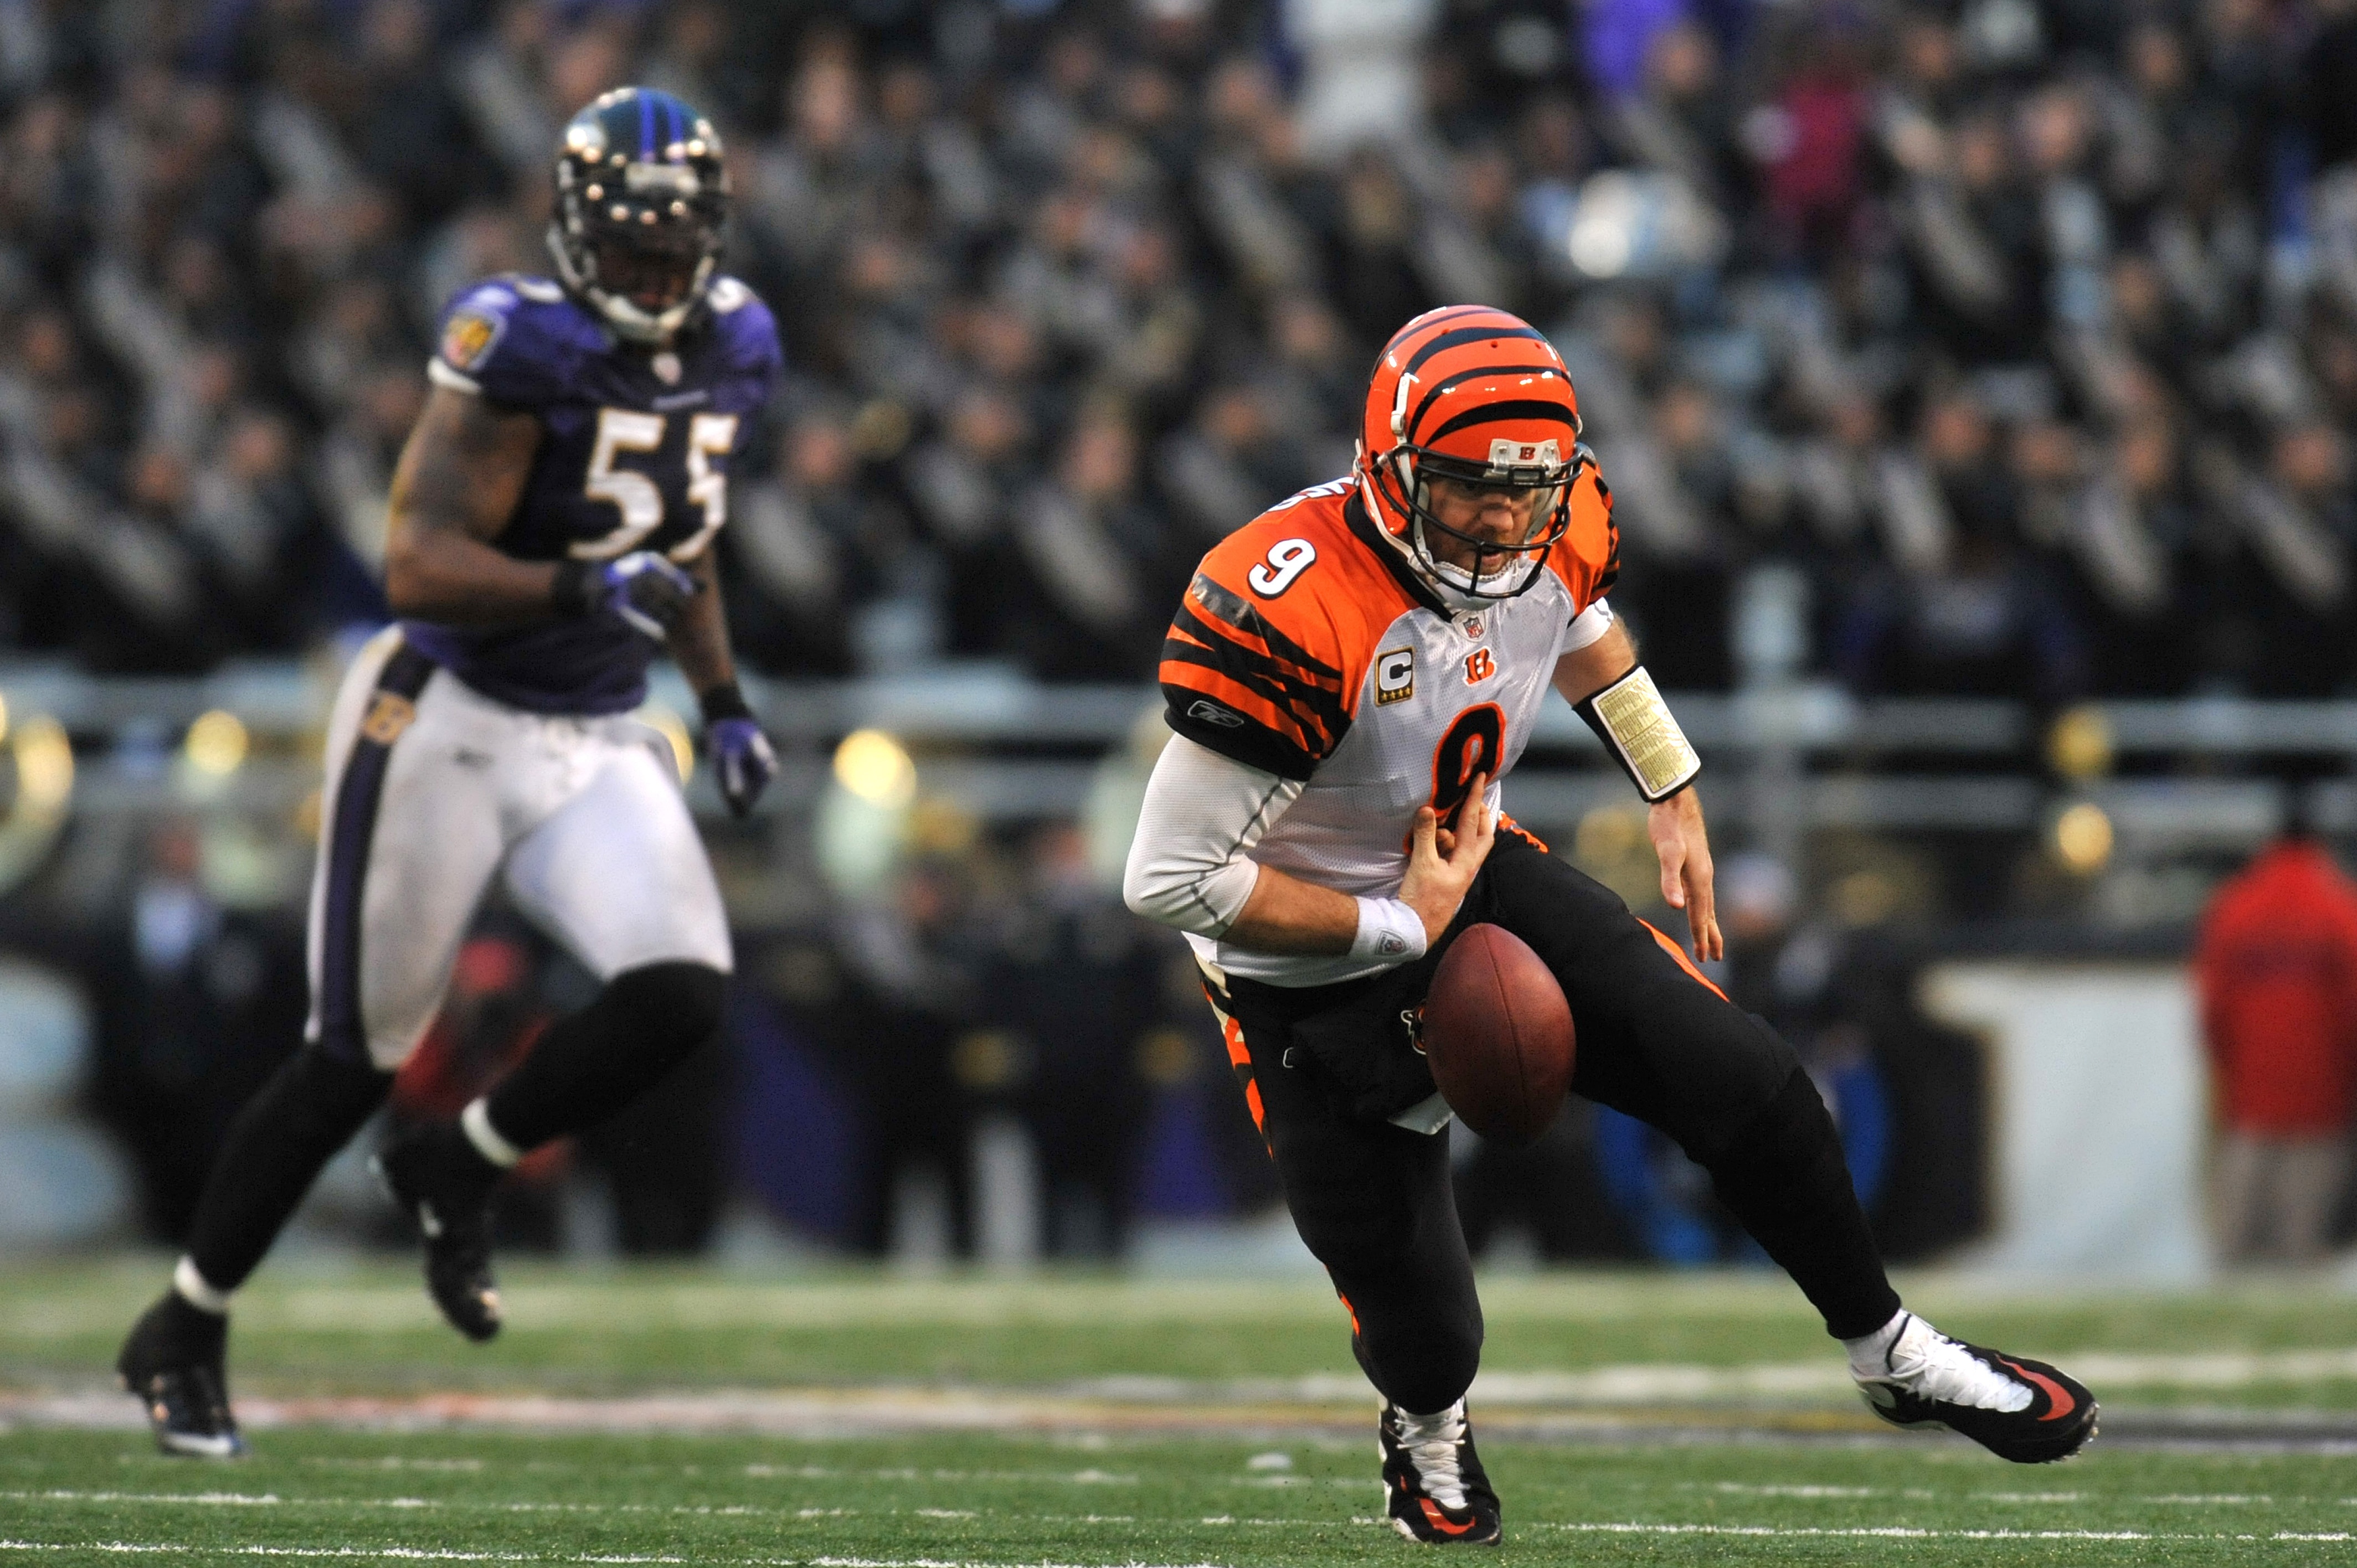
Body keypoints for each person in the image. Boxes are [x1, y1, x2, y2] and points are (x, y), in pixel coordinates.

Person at [1123, 306, 2098, 1545]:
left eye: (1523, 494)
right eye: (1467, 490)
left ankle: (1892, 1351)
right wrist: (1389, 925)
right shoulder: (1295, 599)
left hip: (1472, 868)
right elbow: (1164, 878)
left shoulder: (1560, 517)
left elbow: (1581, 629)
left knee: (1746, 1079)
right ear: (1387, 468)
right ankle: (1424, 1422)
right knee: (1427, 1336)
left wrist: (1668, 781)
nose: (1500, 520)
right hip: (1300, 963)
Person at [114, 87, 782, 1458]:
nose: (660, 271)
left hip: (597, 728)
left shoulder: (740, 339)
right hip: (446, 719)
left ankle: (456, 1162)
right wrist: (585, 580)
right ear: (577, 226)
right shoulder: (515, 340)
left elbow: (689, 537)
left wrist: (721, 698)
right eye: (635, 242)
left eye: (679, 243)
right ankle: (185, 1318)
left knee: (681, 993)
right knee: (349, 1055)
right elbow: (416, 564)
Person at [2195, 788, 2357, 1265]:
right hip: (2320, 1106)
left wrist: (2227, 1075)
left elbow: (2212, 1009)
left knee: (2235, 1251)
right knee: (2302, 1254)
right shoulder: (2339, 909)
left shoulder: (2235, 906)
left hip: (2248, 1105)